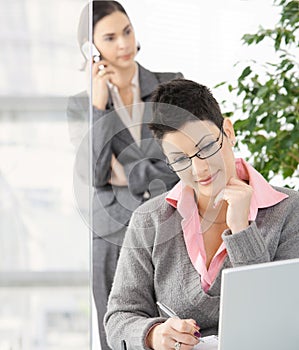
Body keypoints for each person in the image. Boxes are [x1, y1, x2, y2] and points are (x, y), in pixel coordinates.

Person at [104, 78, 299, 350]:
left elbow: (280, 319)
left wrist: (242, 232)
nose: (199, 170)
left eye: (207, 147)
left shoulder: (290, 209)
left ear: (228, 132)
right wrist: (154, 335)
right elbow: (119, 319)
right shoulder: (149, 220)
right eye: (181, 159)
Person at [67, 2, 182, 349]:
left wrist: (127, 171)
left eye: (127, 31)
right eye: (110, 37)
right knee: (117, 338)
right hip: (112, 235)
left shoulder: (170, 84)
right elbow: (95, 173)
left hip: (168, 227)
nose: (123, 44)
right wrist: (98, 108)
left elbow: (178, 166)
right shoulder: (81, 105)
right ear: (91, 48)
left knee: (172, 333)